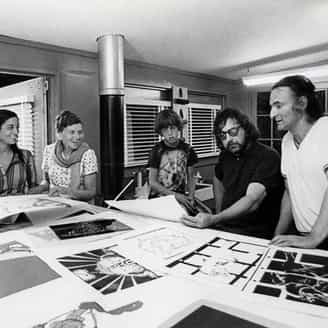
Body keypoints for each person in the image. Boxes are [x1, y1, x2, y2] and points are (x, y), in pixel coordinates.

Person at [182, 108, 284, 239]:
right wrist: (219, 213)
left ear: (246, 129)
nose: (229, 139)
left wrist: (215, 218)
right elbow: (217, 178)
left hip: (256, 233)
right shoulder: (225, 156)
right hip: (226, 227)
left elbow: (252, 201)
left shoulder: (267, 156)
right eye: (223, 135)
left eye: (233, 131)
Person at [270, 75, 328, 249]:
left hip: (319, 237)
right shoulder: (286, 141)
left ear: (302, 103)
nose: (272, 114)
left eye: (279, 106)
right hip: (304, 235)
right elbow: (290, 192)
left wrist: (315, 237)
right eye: (272, 107)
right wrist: (277, 234)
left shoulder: (325, 129)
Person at [33, 110, 97, 202]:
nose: (77, 137)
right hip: (54, 203)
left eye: (80, 132)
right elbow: (46, 182)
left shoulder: (88, 154)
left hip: (80, 207)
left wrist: (65, 191)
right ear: (59, 134)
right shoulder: (49, 151)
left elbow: (90, 192)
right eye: (72, 132)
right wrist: (39, 189)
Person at [148, 109, 198, 211]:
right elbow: (152, 182)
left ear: (178, 128)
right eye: (165, 130)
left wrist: (191, 196)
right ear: (160, 132)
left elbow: (191, 178)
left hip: (180, 201)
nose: (170, 133)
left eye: (173, 128)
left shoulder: (188, 150)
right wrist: (175, 195)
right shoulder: (156, 151)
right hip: (158, 201)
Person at [0, 109, 38, 195]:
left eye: (17, 128)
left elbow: (33, 189)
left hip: (20, 207)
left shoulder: (26, 156)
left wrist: (46, 186)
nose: (16, 132)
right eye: (10, 128)